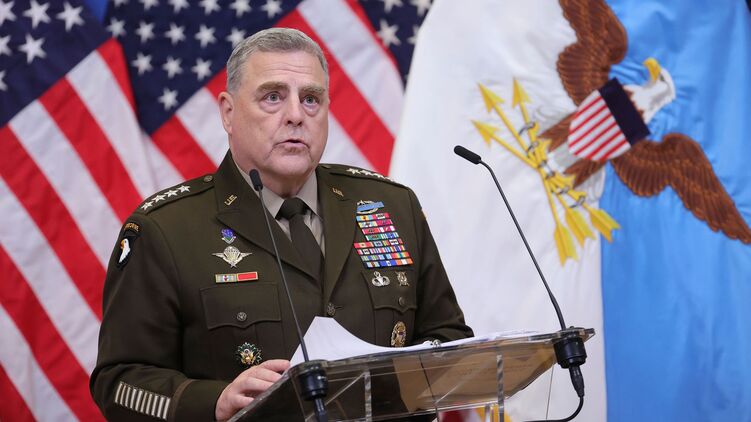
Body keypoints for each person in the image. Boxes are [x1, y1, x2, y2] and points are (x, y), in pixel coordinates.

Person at [90, 28, 473, 421]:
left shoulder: (391, 206)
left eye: (311, 99)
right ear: (228, 113)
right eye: (272, 97)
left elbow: (449, 338)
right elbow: (118, 383)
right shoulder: (166, 229)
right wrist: (213, 402)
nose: (295, 115)